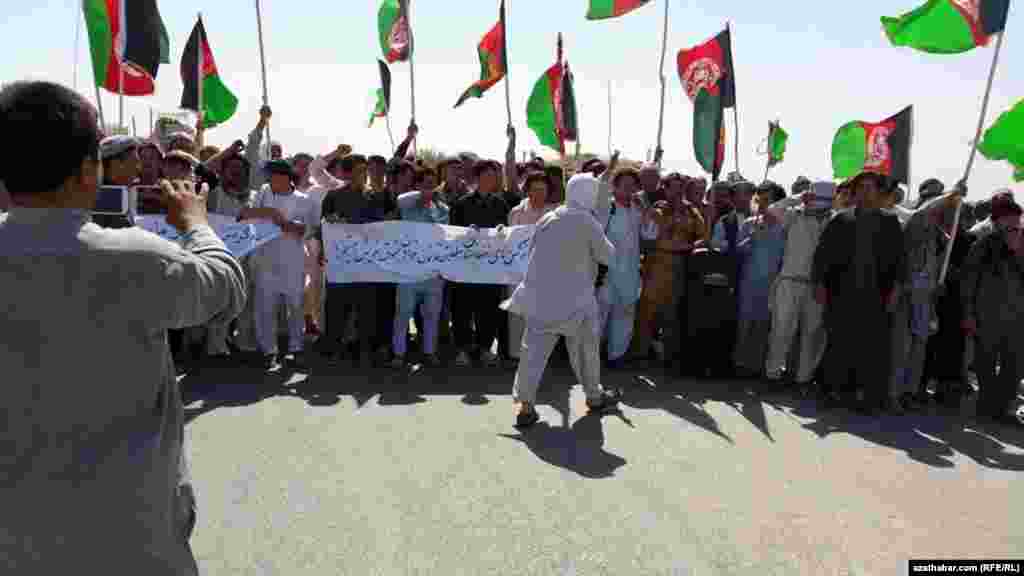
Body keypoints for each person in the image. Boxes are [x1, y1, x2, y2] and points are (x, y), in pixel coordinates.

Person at [0, 80, 246, 574]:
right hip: (129, 530)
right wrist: (196, 223)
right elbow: (224, 288)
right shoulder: (135, 257)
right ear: (89, 170)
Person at [502, 166, 624, 429]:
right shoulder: (587, 221)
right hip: (577, 301)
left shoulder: (548, 218)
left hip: (541, 299)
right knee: (585, 351)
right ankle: (594, 396)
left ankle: (525, 406)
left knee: (532, 354)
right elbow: (608, 256)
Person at [812, 171, 906, 415]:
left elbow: (899, 262)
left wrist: (896, 290)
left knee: (873, 348)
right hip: (842, 293)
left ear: (878, 193)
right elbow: (822, 256)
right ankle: (834, 391)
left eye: (871, 188)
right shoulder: (841, 221)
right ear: (854, 192)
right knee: (839, 343)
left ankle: (868, 397)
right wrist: (820, 285)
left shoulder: (889, 222)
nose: (866, 192)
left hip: (876, 294)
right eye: (861, 187)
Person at [886, 179, 963, 413]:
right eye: (934, 199)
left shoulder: (940, 235)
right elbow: (924, 213)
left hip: (926, 298)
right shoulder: (910, 219)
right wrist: (953, 193)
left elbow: (939, 266)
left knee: (919, 348)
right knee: (902, 347)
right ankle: (892, 394)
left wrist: (938, 284)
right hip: (905, 294)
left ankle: (909, 392)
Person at [240, 160, 318, 370]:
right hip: (265, 259)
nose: (268, 179)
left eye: (272, 175)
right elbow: (245, 214)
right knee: (265, 308)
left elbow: (305, 230)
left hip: (293, 261)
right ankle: (269, 351)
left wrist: (283, 222)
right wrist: (271, 214)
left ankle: (296, 348)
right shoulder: (263, 193)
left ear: (284, 177)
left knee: (295, 307)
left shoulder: (304, 200)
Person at [762, 181, 834, 394]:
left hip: (817, 285)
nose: (818, 206)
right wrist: (797, 198)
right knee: (781, 330)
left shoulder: (835, 219)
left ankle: (803, 379)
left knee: (812, 333)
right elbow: (771, 211)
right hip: (789, 281)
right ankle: (772, 374)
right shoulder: (794, 214)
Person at [629, 173, 705, 367]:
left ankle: (670, 358)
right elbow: (649, 234)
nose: (677, 191)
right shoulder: (658, 208)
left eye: (681, 187)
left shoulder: (691, 211)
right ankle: (639, 354)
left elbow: (702, 236)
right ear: (665, 188)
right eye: (673, 187)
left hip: (680, 266)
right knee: (647, 312)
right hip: (656, 265)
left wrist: (688, 246)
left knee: (673, 313)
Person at [961, 196, 1024, 427]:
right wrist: (968, 314)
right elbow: (969, 282)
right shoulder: (983, 245)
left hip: (1018, 318)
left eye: (1017, 220)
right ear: (997, 222)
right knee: (985, 363)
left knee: (1015, 365)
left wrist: (1018, 251)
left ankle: (1004, 408)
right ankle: (987, 406)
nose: (1014, 225)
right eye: (1008, 221)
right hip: (987, 316)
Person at [318, 154, 381, 367]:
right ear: (347, 173)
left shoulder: (374, 197)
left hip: (367, 264)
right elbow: (324, 227)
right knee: (336, 307)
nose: (362, 175)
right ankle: (333, 348)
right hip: (340, 263)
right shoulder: (333, 197)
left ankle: (364, 350)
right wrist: (331, 224)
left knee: (367, 308)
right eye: (357, 171)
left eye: (364, 171)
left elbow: (382, 228)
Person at [450, 159, 512, 368]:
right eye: (486, 176)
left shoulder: (500, 204)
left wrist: (503, 231)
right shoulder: (462, 203)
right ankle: (462, 350)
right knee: (463, 309)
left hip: (490, 267)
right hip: (466, 267)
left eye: (493, 176)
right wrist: (467, 233)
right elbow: (452, 234)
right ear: (477, 178)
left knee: (489, 309)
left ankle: (485, 348)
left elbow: (506, 232)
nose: (490, 180)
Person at [390, 175, 450, 368]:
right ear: (417, 187)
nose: (429, 190)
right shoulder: (407, 204)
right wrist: (421, 193)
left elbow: (446, 235)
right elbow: (401, 200)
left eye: (432, 186)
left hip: (433, 271)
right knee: (403, 313)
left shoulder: (443, 209)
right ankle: (399, 354)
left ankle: (429, 352)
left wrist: (431, 200)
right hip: (408, 271)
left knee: (432, 315)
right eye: (425, 185)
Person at [732, 181, 787, 378]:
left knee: (764, 325)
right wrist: (751, 239)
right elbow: (738, 250)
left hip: (773, 283)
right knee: (744, 323)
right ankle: (739, 364)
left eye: (767, 200)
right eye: (760, 200)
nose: (762, 204)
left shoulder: (785, 227)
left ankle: (756, 367)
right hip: (748, 282)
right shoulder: (749, 224)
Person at [599, 167, 650, 368]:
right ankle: (590, 357)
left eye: (632, 186)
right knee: (599, 315)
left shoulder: (638, 210)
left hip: (629, 272)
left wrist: (646, 212)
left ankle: (616, 357)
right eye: (624, 186)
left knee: (625, 315)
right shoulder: (606, 209)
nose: (629, 190)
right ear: (615, 187)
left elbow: (650, 234)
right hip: (606, 271)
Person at [506, 171, 557, 361]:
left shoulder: (555, 214)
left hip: (547, 272)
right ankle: (516, 356)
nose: (539, 194)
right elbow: (509, 241)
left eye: (543, 190)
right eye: (535, 189)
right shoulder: (516, 212)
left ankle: (540, 356)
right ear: (527, 190)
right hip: (519, 271)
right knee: (518, 314)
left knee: (542, 315)